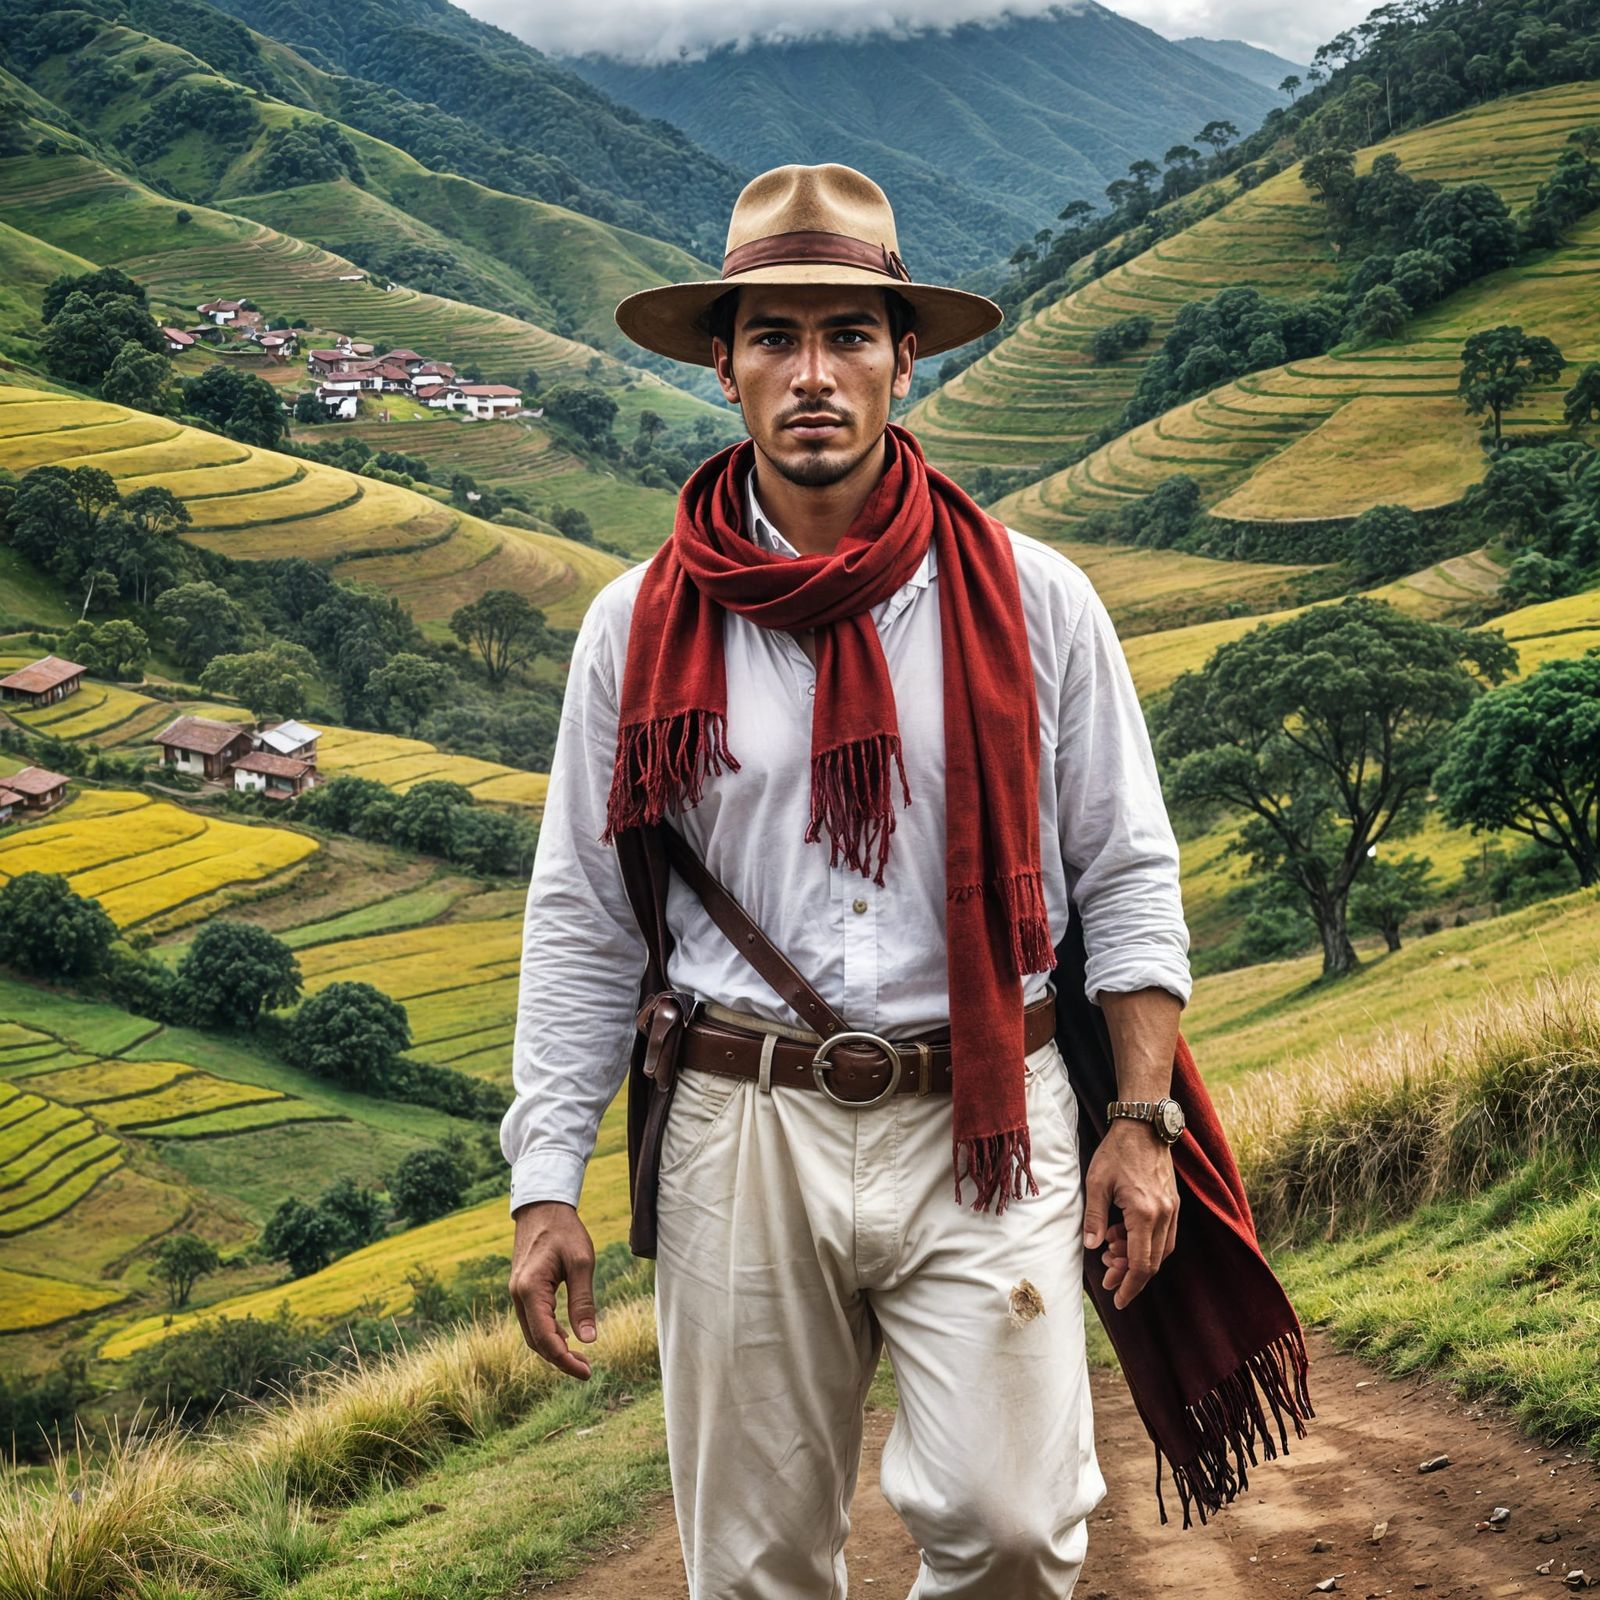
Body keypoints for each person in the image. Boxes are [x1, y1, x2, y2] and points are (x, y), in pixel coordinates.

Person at [503, 162, 1194, 1599]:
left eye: (849, 335)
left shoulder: (1033, 598)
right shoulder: (634, 629)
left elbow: (1123, 871)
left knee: (1015, 1528)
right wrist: (543, 1179)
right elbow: (581, 913)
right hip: (737, 1122)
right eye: (775, 337)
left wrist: (1140, 1121)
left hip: (988, 1114)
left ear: (902, 356)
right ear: (724, 364)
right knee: (753, 1567)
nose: (813, 374)